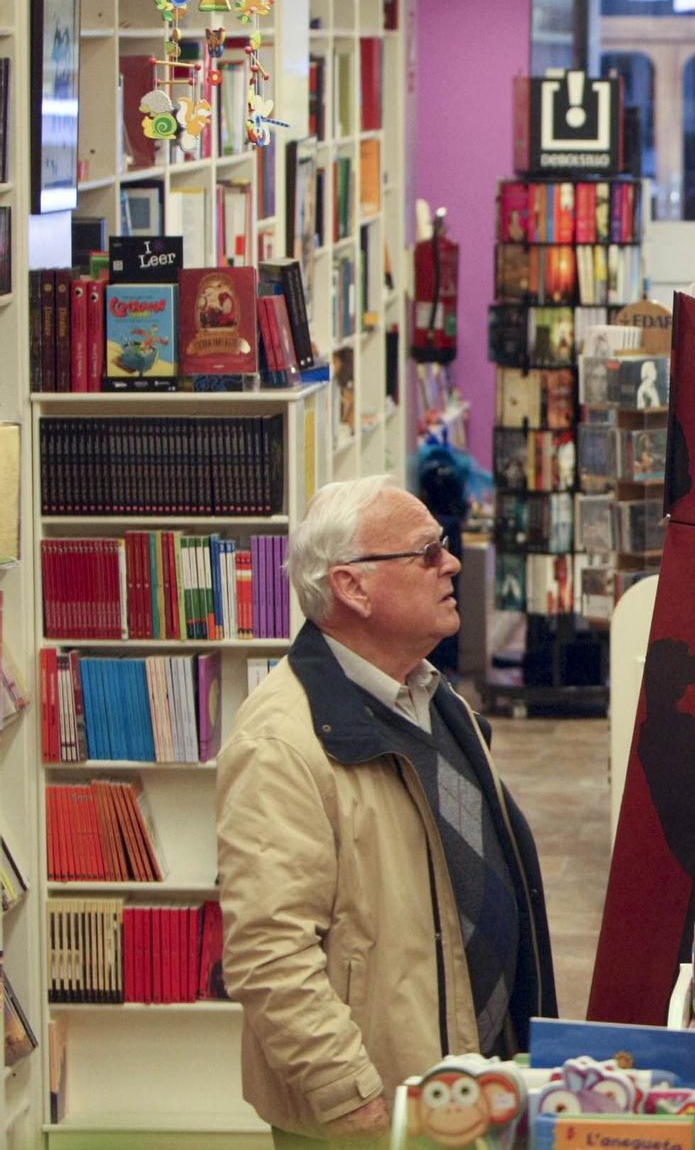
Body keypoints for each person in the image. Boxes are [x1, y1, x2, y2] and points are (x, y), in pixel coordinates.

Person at [217, 476, 556, 1147]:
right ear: (353, 586)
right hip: (378, 1118)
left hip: (465, 1093)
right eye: (427, 551)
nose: (451, 563)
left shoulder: (432, 696)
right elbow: (269, 953)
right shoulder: (282, 741)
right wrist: (355, 1102)